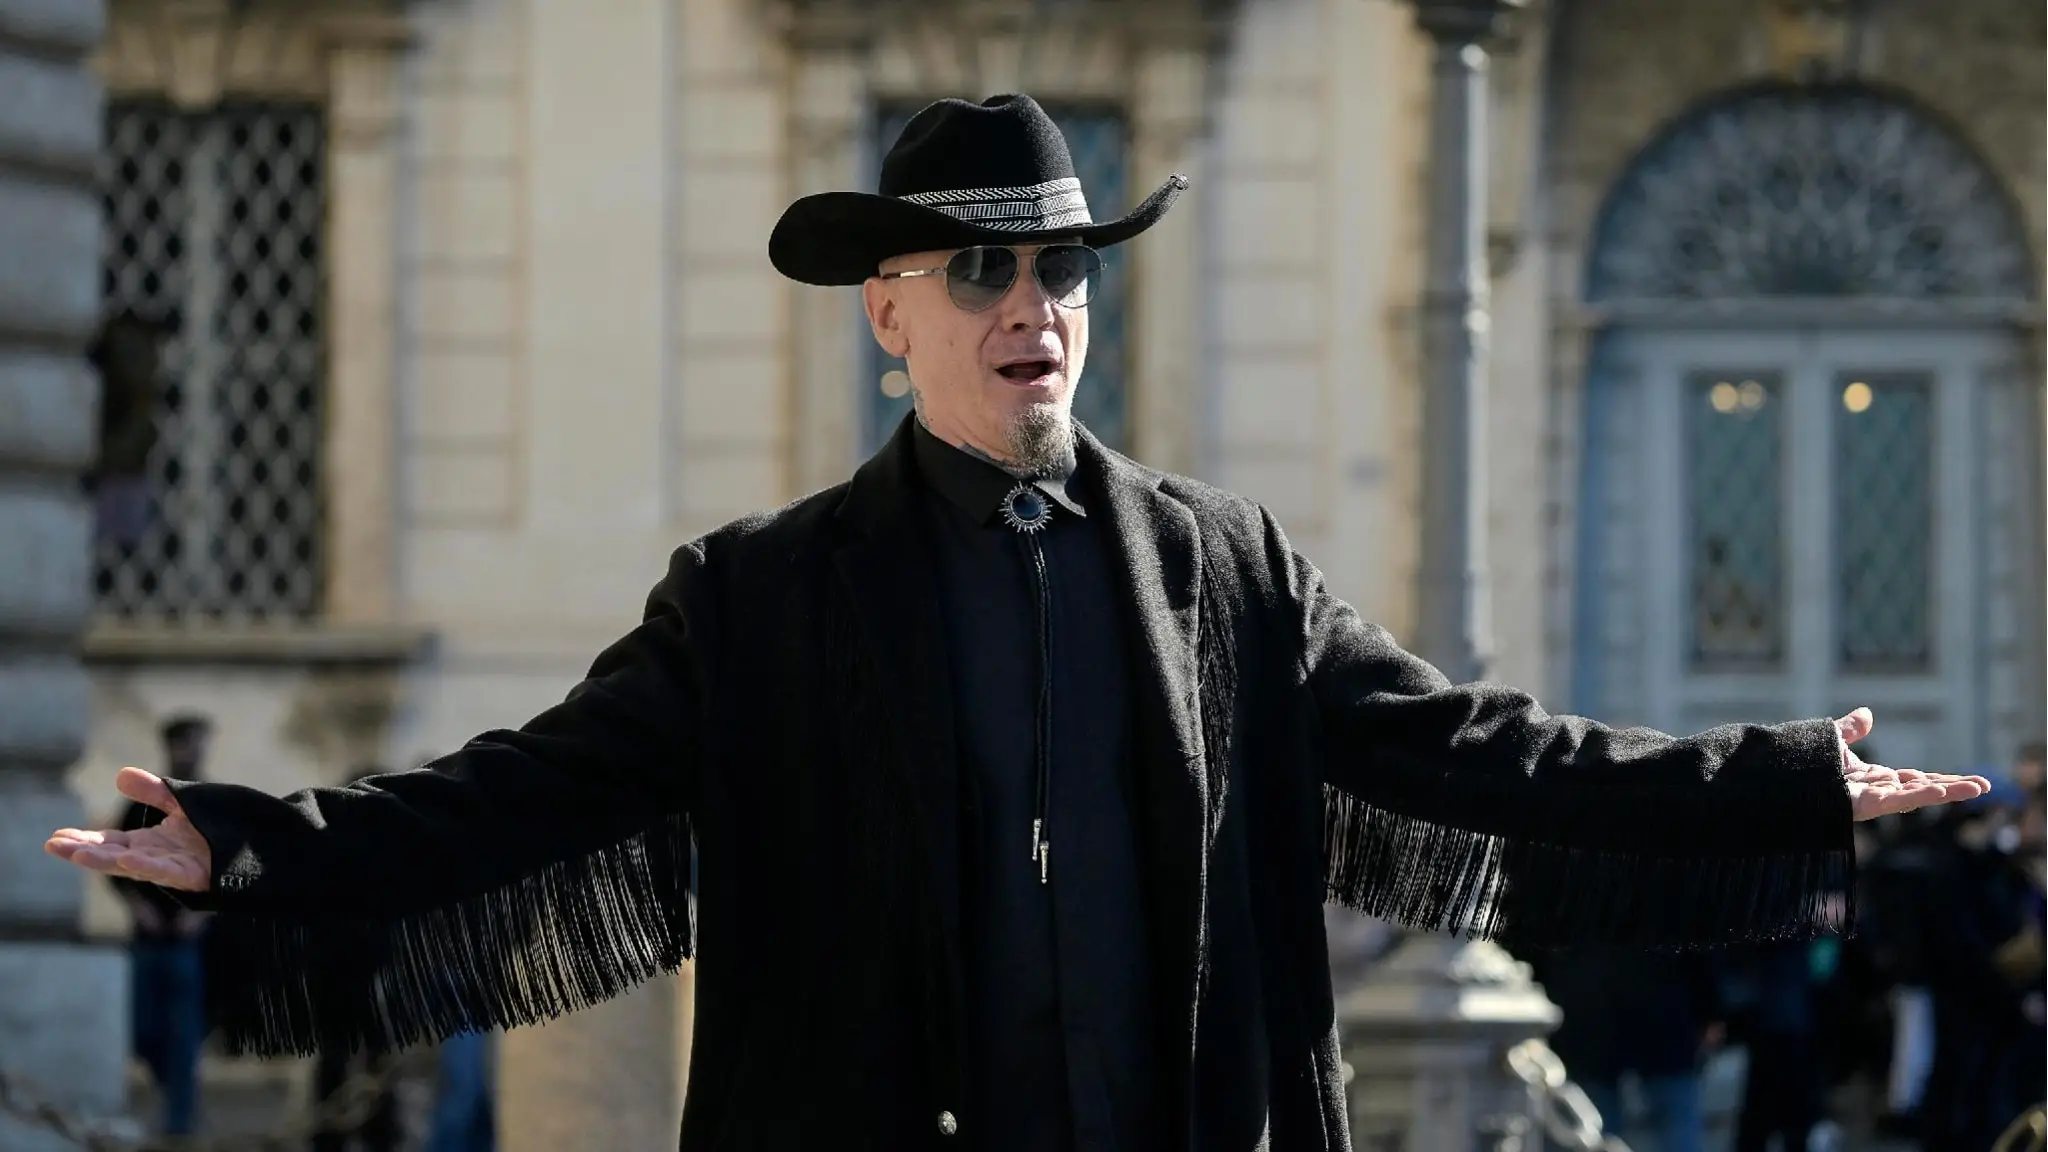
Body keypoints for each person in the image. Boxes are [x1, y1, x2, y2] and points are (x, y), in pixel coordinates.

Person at [47, 95, 1991, 1152]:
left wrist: (1772, 785)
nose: (1028, 305)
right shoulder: (761, 597)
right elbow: (524, 795)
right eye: (979, 269)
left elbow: (1476, 753)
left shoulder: (1223, 565)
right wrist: (257, 844)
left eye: (1057, 263)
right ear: (887, 312)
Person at [111, 714, 215, 1139]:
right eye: (185, 743)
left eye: (198, 743)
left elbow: (235, 868)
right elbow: (115, 861)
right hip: (148, 939)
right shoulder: (140, 806)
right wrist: (138, 906)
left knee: (185, 1035)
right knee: (143, 1030)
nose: (192, 751)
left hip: (190, 943)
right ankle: (174, 1089)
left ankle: (179, 1125)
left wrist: (203, 912)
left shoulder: (214, 802)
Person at [1527, 948, 1725, 1152]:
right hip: (1657, 1011)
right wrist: (1711, 1010)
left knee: (1597, 1124)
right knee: (1675, 1116)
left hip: (1593, 1013)